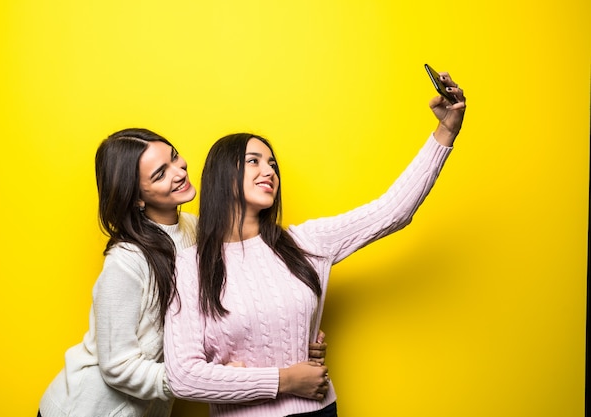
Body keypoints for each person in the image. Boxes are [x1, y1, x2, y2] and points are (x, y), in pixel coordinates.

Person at [162, 72, 466, 417]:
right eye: (254, 161)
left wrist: (446, 131)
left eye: (272, 164)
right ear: (222, 176)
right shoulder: (190, 265)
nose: (269, 171)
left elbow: (393, 210)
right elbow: (182, 376)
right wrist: (284, 381)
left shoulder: (306, 242)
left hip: (319, 412)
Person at [38, 128, 330, 417]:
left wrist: (293, 340)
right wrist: (197, 379)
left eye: (174, 157)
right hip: (87, 408)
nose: (179, 171)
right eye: (160, 174)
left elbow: (243, 295)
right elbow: (117, 366)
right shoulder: (125, 262)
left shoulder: (197, 228)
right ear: (137, 198)